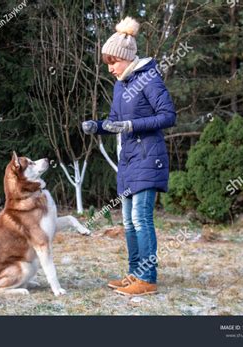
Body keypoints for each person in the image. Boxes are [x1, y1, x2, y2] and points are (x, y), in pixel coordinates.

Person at [82, 17, 176, 296]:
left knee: (141, 218)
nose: (110, 68)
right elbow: (114, 121)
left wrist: (133, 126)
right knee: (127, 220)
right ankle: (134, 274)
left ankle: (147, 278)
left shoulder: (149, 78)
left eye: (113, 62)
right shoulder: (120, 85)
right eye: (108, 63)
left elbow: (168, 116)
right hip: (129, 161)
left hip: (149, 158)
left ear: (127, 58)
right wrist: (96, 127)